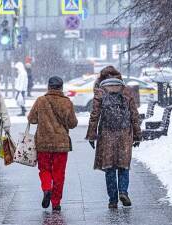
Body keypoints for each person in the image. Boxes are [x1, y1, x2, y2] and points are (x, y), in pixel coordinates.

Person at [85, 66, 142, 209]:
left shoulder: (100, 92)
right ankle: (123, 191)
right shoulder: (126, 91)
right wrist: (137, 135)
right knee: (123, 165)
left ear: (102, 78)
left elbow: (94, 116)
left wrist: (92, 135)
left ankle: (112, 200)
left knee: (109, 167)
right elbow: (134, 115)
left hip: (106, 135)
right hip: (124, 134)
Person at [28, 76, 78, 212]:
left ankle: (46, 188)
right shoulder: (67, 102)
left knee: (44, 169)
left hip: (43, 143)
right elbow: (73, 123)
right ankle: (56, 203)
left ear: (48, 87)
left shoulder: (41, 100)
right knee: (59, 173)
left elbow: (31, 119)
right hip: (61, 145)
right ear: (61, 87)